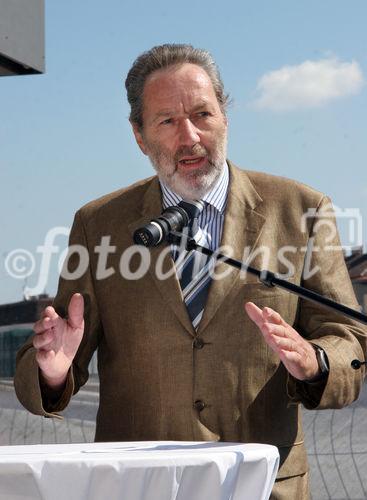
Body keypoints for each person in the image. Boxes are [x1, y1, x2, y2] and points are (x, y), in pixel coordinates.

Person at [15, 44, 367, 499]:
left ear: (225, 116)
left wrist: (316, 360)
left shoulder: (302, 210)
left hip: (262, 487)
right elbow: (54, 353)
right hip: (139, 487)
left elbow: (350, 340)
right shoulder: (98, 223)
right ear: (139, 136)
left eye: (202, 114)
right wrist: (54, 373)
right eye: (166, 121)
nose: (190, 137)